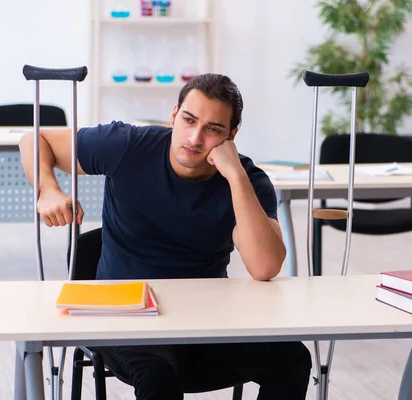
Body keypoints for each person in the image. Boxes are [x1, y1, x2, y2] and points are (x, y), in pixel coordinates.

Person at [19, 73, 312, 399]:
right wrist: (47, 189)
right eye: (189, 120)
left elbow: (265, 266)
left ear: (232, 135)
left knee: (292, 359)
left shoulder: (246, 181)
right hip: (126, 320)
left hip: (205, 321)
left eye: (213, 129)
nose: (195, 138)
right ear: (174, 115)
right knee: (159, 375)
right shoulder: (128, 145)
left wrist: (234, 175)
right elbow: (34, 140)